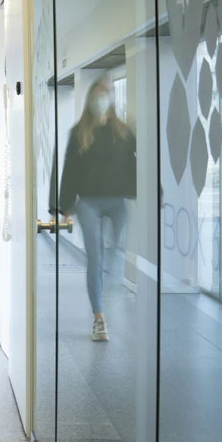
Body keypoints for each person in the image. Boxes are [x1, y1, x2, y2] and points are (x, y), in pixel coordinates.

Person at [58, 78, 136, 342]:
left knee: (113, 254)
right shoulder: (79, 132)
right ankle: (99, 317)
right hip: (88, 202)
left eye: (107, 94)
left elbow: (136, 164)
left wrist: (151, 192)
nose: (102, 99)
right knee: (95, 257)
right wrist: (65, 205)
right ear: (90, 99)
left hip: (117, 201)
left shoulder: (123, 132)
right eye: (99, 94)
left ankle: (103, 291)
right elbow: (69, 168)